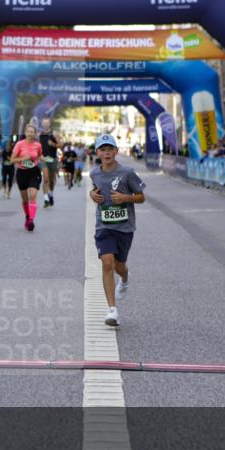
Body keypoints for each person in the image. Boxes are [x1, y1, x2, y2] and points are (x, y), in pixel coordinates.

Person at [89, 133, 146, 327]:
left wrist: (125, 198)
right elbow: (95, 191)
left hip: (124, 227)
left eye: (110, 149)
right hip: (103, 225)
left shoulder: (127, 172)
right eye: (102, 150)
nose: (106, 153)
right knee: (107, 263)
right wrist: (92, 195)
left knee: (120, 266)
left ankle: (125, 278)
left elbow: (141, 196)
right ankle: (112, 310)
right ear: (97, 153)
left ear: (116, 151)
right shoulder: (94, 173)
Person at [10, 124, 43, 231]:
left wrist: (42, 159)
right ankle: (27, 216)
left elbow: (39, 155)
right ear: (25, 133)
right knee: (25, 199)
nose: (30, 133)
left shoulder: (38, 145)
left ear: (35, 134)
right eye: (28, 131)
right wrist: (23, 158)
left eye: (32, 132)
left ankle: (31, 221)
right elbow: (12, 160)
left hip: (34, 172)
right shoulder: (19, 144)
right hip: (22, 173)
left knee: (32, 195)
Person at [39, 118, 60, 207]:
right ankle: (46, 199)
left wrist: (53, 144)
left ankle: (51, 194)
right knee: (46, 179)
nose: (45, 125)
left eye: (47, 123)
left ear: (49, 124)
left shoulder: (54, 133)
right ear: (42, 124)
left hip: (52, 159)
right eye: (44, 123)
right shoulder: (40, 134)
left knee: (51, 180)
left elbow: (60, 144)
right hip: (43, 159)